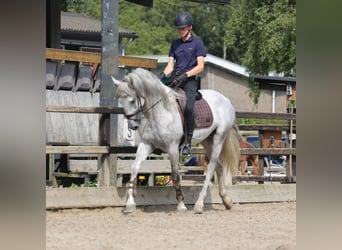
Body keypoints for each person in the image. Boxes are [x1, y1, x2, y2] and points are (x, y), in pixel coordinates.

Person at [158, 12, 206, 156]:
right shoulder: (175, 43)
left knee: (189, 108)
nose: (181, 31)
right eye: (179, 28)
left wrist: (186, 75)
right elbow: (170, 65)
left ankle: (188, 142)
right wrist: (161, 75)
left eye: (183, 28)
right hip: (175, 78)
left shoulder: (197, 43)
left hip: (190, 81)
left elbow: (200, 66)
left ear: (190, 27)